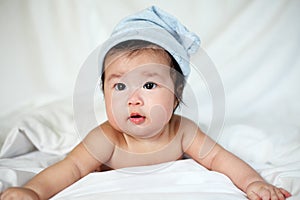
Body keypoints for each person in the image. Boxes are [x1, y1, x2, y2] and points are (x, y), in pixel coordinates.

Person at [0, 6, 291, 200]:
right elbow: (70, 168)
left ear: (177, 93)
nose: (133, 99)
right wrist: (33, 191)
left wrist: (253, 183)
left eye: (149, 85)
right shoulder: (107, 138)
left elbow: (220, 159)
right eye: (119, 86)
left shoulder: (183, 132)